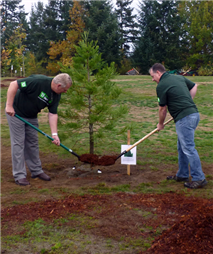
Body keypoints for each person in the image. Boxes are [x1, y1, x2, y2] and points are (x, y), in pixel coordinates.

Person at [5, 73, 72, 186]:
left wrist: (54, 134)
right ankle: (19, 175)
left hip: (31, 116)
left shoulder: (56, 95)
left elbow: (52, 114)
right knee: (18, 144)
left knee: (32, 143)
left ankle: (36, 171)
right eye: (65, 89)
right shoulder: (38, 81)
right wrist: (9, 106)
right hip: (16, 113)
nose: (65, 92)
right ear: (59, 85)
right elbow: (13, 84)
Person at [149, 63, 207, 189]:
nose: (152, 79)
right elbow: (194, 86)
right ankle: (182, 174)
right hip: (193, 115)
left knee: (188, 148)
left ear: (158, 72)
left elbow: (162, 109)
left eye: (153, 76)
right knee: (182, 147)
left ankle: (199, 178)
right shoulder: (178, 77)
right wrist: (189, 102)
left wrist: (160, 124)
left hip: (185, 118)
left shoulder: (161, 86)